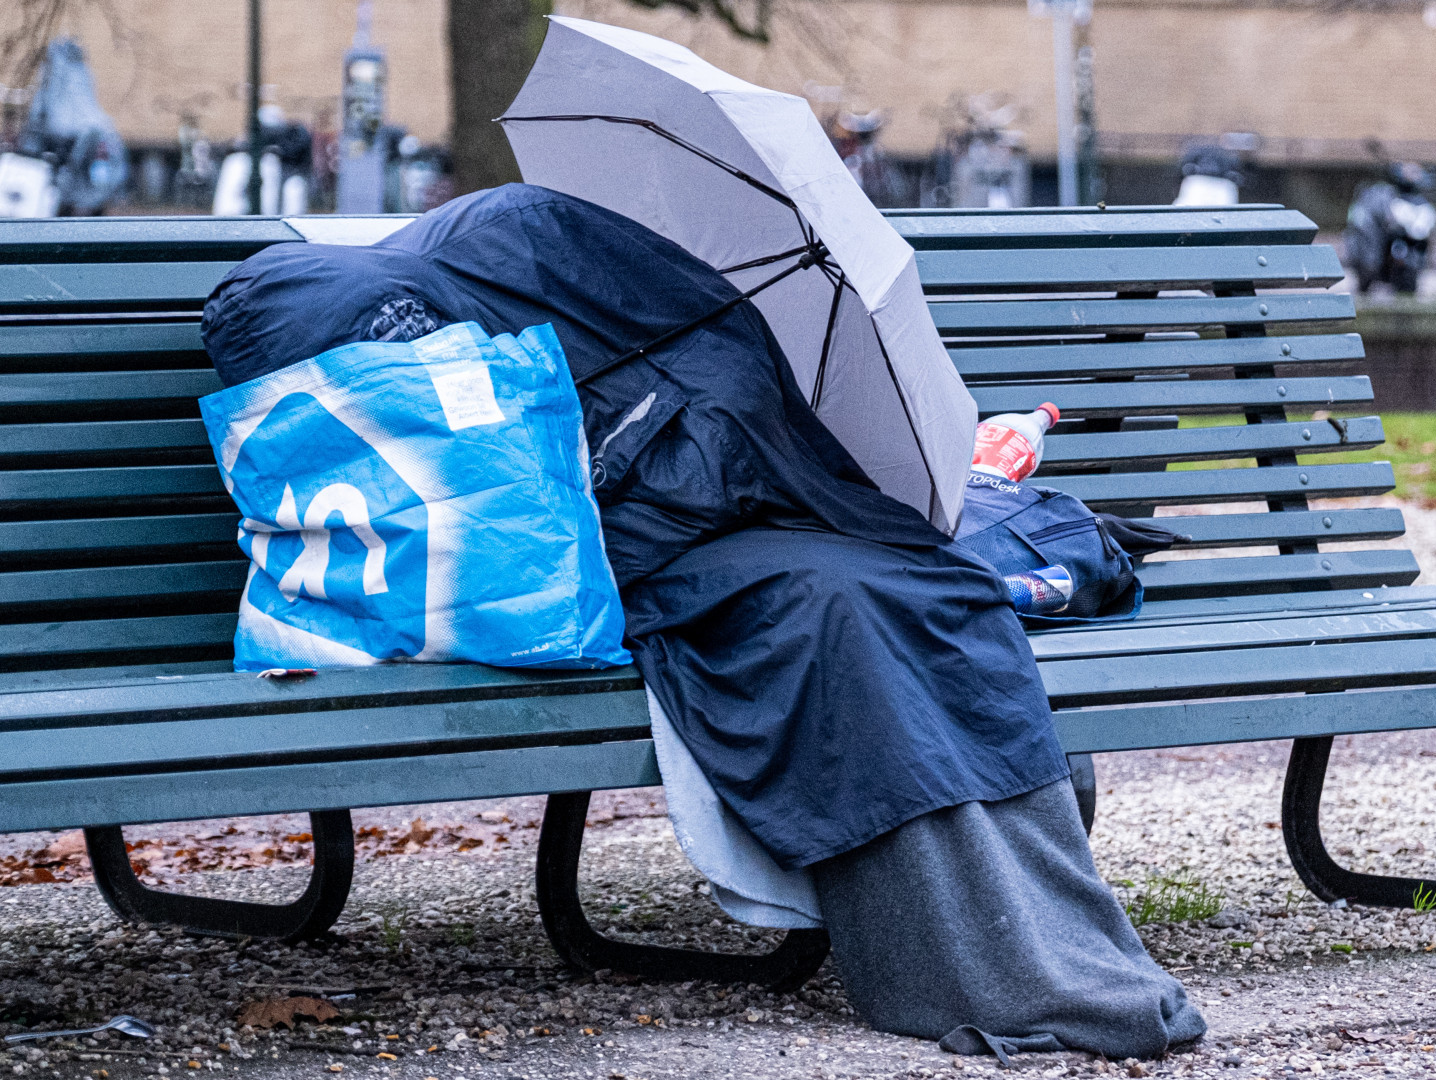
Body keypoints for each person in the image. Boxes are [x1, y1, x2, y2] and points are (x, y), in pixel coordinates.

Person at [200, 184, 1204, 1061]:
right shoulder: (364, 311)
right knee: (841, 607)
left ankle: (1031, 930)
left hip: (720, 541)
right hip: (652, 567)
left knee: (909, 589)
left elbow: (708, 416)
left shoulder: (528, 239)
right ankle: (983, 961)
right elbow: (552, 519)